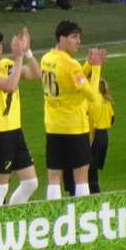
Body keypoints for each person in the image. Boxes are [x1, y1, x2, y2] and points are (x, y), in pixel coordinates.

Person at [40, 20, 105, 200]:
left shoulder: (46, 58)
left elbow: (71, 80)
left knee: (54, 175)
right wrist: (97, 67)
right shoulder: (70, 64)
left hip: (53, 126)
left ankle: (53, 214)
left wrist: (87, 65)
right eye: (74, 37)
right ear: (62, 38)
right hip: (74, 127)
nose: (78, 41)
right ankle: (82, 215)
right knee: (80, 176)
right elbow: (91, 94)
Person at [0, 27, 41, 207]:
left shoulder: (7, 64)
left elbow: (37, 74)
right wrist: (19, 58)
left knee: (30, 183)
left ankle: (10, 216)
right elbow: (9, 86)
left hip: (14, 131)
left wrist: (27, 51)